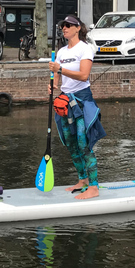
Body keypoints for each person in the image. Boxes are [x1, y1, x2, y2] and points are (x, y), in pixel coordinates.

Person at [48, 15, 105, 200]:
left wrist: (60, 70)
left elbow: (83, 76)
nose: (64, 28)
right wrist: (53, 84)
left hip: (82, 101)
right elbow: (57, 77)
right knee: (70, 142)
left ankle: (94, 187)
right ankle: (83, 180)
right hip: (66, 101)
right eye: (62, 25)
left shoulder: (85, 48)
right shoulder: (62, 51)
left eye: (68, 25)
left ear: (78, 28)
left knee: (83, 143)